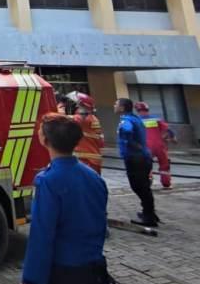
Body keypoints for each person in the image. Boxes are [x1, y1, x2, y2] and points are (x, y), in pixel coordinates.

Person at [20, 113, 112, 284]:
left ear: (45, 140)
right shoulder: (94, 177)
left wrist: (31, 280)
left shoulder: (48, 181)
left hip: (65, 277)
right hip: (96, 273)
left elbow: (42, 235)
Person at [115, 98, 159, 226]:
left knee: (139, 187)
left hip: (135, 158)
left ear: (122, 107)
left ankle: (148, 217)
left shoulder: (126, 120)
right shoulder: (135, 118)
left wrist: (131, 143)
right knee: (144, 186)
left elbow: (127, 130)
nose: (114, 106)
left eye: (116, 104)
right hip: (142, 157)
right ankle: (150, 212)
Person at [135, 101, 176, 189]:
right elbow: (168, 130)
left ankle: (148, 182)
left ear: (137, 110)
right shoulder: (156, 119)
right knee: (164, 164)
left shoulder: (137, 120)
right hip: (160, 145)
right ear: (147, 109)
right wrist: (173, 138)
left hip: (146, 146)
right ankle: (166, 184)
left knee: (146, 165)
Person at [67, 92, 105, 175]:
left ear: (83, 106)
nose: (76, 106)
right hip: (91, 158)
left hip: (87, 159)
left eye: (78, 104)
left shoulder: (83, 118)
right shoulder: (91, 117)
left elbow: (64, 119)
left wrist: (59, 108)